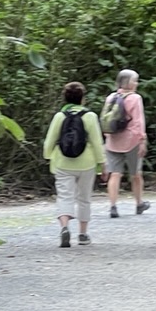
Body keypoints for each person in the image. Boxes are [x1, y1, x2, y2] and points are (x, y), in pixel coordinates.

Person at [42, 81, 106, 247]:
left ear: (65, 98)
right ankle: (83, 234)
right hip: (87, 163)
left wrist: (48, 156)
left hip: (63, 162)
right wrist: (102, 163)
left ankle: (64, 227)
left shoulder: (59, 116)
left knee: (64, 196)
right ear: (83, 99)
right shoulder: (90, 116)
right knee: (84, 198)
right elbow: (97, 142)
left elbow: (50, 140)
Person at [100, 68, 149, 217]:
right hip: (131, 141)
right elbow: (138, 122)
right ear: (129, 83)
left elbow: (104, 118)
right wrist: (142, 140)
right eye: (135, 80)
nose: (137, 83)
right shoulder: (135, 98)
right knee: (135, 174)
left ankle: (113, 206)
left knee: (115, 174)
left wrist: (107, 137)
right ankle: (139, 203)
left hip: (112, 140)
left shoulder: (111, 97)